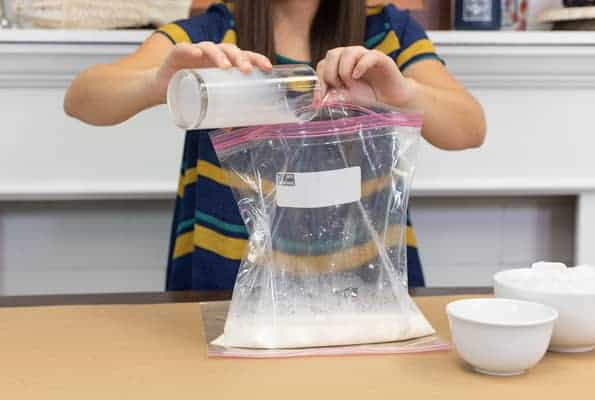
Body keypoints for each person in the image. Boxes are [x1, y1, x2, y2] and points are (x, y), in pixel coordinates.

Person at [64, 0, 486, 290]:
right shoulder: (213, 32)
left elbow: (469, 127)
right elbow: (83, 98)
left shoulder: (388, 32)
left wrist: (404, 93)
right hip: (229, 298)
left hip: (365, 296)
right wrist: (157, 83)